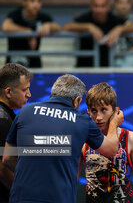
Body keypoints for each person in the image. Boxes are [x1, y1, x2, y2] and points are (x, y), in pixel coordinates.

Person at [2, 74, 124, 203]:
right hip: (59, 198)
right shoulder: (82, 120)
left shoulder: (25, 111)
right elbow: (111, 149)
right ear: (76, 100)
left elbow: (7, 158)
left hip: (21, 197)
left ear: (53, 92)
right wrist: (114, 123)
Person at [81, 82, 133, 202]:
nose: (98, 117)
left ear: (115, 111)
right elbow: (71, 183)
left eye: (103, 110)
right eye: (94, 111)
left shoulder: (131, 138)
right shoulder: (83, 140)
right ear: (88, 111)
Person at [63, 0, 133, 67]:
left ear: (108, 6)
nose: (99, 10)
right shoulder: (85, 18)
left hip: (107, 68)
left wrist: (119, 28)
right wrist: (89, 26)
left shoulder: (113, 19)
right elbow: (67, 27)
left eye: (103, 6)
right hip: (84, 68)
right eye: (96, 6)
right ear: (91, 6)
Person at [1, 0, 61, 68]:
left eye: (39, 1)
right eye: (32, 0)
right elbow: (5, 26)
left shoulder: (43, 17)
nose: (36, 4)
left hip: (34, 63)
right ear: (24, 1)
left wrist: (49, 25)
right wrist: (29, 32)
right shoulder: (15, 14)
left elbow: (57, 27)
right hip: (14, 63)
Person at [0, 63, 31, 202]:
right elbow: (2, 168)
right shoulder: (3, 120)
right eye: (25, 90)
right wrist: (24, 194)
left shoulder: (7, 116)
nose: (29, 95)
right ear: (8, 92)